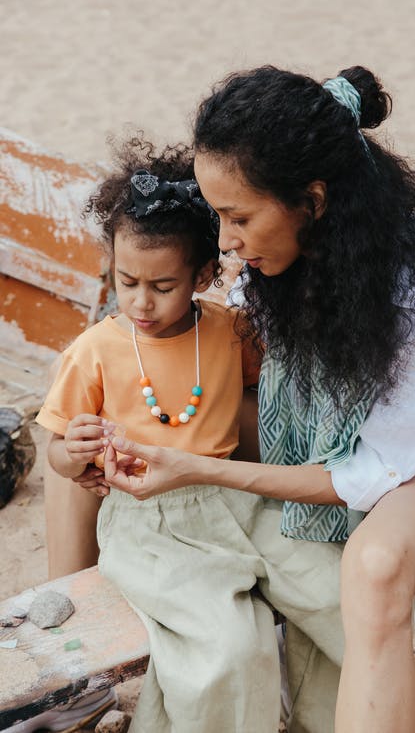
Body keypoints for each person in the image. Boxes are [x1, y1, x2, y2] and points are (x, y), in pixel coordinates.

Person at [98, 66, 415, 733]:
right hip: (323, 449)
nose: (225, 241)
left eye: (238, 218)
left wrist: (200, 468)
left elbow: (372, 476)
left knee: (375, 566)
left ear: (313, 200)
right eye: (217, 215)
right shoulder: (271, 260)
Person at [33, 137, 346, 733]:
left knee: (337, 597)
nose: (141, 303)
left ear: (203, 274)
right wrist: (71, 454)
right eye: (127, 282)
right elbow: (60, 453)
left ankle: (327, 721)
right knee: (229, 648)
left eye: (163, 286)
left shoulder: (232, 332)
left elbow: (266, 394)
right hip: (150, 525)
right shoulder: (97, 349)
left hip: (237, 502)